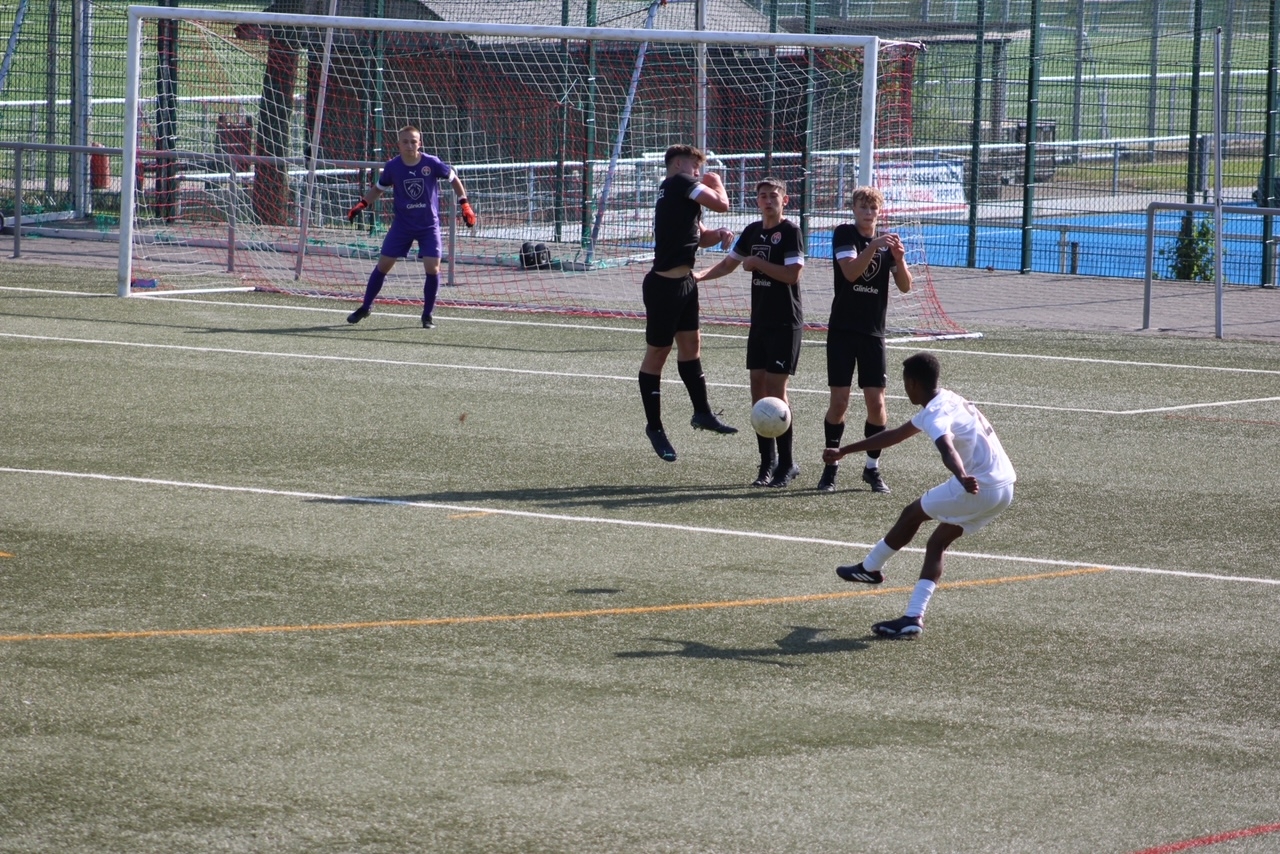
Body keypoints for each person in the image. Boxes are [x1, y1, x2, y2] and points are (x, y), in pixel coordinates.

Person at [823, 352, 1016, 638]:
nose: (905, 389)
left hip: (977, 485)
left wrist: (962, 475)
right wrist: (844, 451)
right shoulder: (947, 399)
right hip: (1005, 487)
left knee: (912, 513)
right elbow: (894, 435)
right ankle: (913, 617)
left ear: (912, 383)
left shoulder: (936, 415)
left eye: (905, 383)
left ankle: (871, 568)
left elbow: (946, 448)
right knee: (937, 542)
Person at [695, 177, 805, 487]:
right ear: (757, 201)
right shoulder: (753, 231)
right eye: (763, 196)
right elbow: (729, 264)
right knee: (758, 390)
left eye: (774, 196)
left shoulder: (790, 231)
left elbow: (792, 275)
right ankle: (767, 463)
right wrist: (699, 276)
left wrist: (758, 262)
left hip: (785, 322)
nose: (768, 200)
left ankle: (787, 464)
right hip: (760, 322)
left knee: (776, 393)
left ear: (785, 200)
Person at [639, 144, 738, 463]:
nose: (699, 172)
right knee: (658, 354)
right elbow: (722, 204)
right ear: (679, 164)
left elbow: (701, 234)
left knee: (691, 346)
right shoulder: (679, 182)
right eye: (695, 166)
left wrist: (719, 234)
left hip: (686, 283)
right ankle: (655, 427)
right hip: (663, 286)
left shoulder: (680, 193)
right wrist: (717, 181)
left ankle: (702, 412)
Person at [817, 185, 913, 494]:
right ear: (853, 209)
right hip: (843, 331)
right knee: (839, 402)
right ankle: (831, 466)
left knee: (877, 402)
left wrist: (899, 259)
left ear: (879, 211)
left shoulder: (887, 243)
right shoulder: (845, 234)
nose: (868, 212)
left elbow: (905, 286)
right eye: (863, 207)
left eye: (873, 208)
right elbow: (851, 273)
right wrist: (874, 246)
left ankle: (872, 468)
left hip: (873, 332)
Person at [345, 125, 475, 329]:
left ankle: (427, 315)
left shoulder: (431, 163)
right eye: (405, 141)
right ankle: (365, 306)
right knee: (383, 265)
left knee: (432, 268)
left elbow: (453, 179)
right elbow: (378, 189)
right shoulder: (392, 167)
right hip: (402, 225)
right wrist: (361, 204)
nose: (409, 145)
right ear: (398, 144)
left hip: (428, 225)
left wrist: (465, 204)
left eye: (413, 141)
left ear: (419, 143)